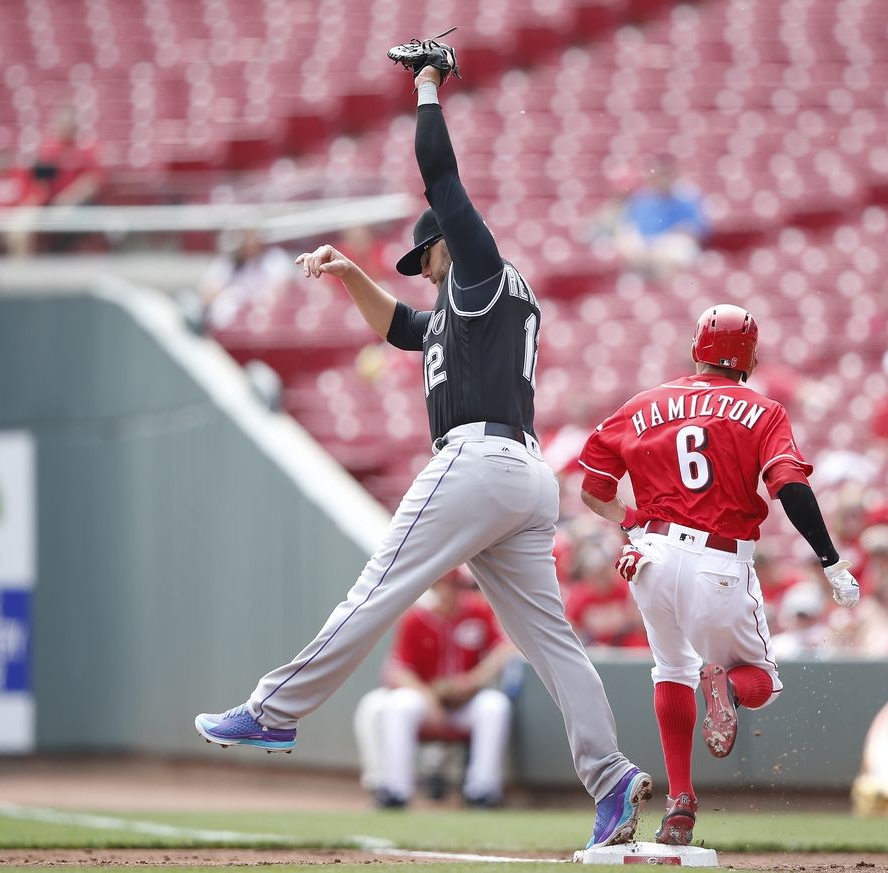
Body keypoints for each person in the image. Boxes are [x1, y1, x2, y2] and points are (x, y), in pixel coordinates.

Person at [194, 47, 651, 852]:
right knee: (550, 641)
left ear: (446, 246)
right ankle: (611, 776)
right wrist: (349, 274)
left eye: (422, 256)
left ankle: (271, 710)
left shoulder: (476, 269)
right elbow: (401, 327)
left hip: (477, 463)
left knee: (378, 586)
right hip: (524, 476)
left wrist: (428, 84)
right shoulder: (456, 310)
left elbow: (439, 175)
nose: (421, 269)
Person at [576, 304, 860, 846]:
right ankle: (724, 684)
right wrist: (829, 557)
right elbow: (789, 486)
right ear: (749, 358)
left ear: (695, 349)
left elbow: (594, 489)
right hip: (718, 559)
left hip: (650, 555)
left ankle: (680, 803)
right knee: (762, 682)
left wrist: (631, 519)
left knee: (671, 670)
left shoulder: (646, 402)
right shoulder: (764, 409)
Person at [357, 571, 515, 809]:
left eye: (460, 585)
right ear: (436, 585)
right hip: (426, 699)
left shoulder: (479, 611)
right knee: (398, 705)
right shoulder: (416, 617)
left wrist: (473, 680)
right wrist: (428, 697)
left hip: (464, 702)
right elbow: (397, 670)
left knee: (495, 706)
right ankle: (395, 790)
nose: (456, 590)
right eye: (450, 584)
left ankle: (483, 791)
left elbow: (505, 648)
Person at [615, 156, 709, 278]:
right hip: (647, 252)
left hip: (672, 250)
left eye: (666, 175)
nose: (663, 180)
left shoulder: (687, 197)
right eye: (659, 176)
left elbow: (701, 230)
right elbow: (631, 229)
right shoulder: (641, 200)